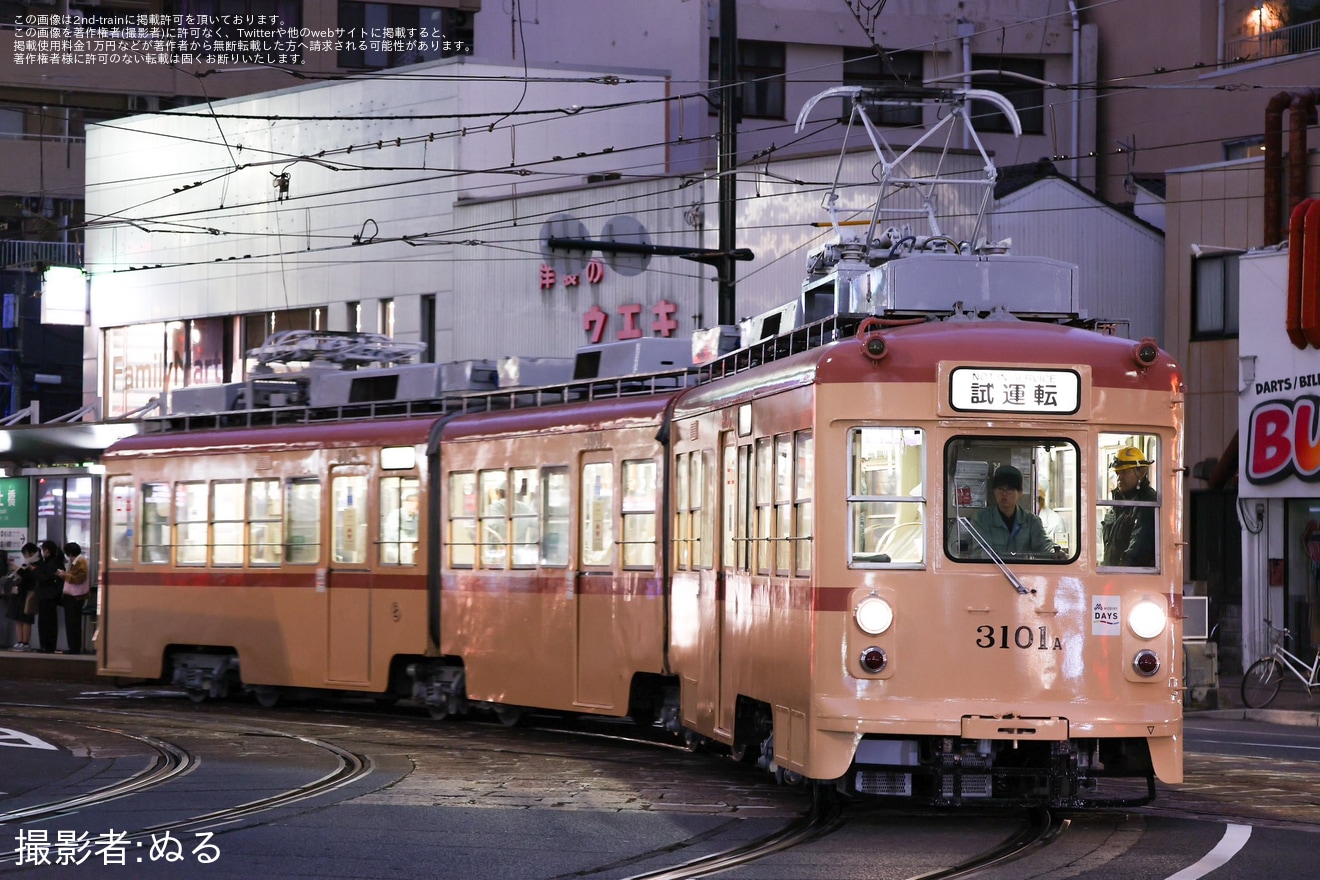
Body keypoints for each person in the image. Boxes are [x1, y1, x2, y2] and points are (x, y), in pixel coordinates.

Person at [972, 465, 1062, 558]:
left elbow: (1043, 544)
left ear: (1020, 492)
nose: (1004, 493)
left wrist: (1054, 552)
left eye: (1010, 489)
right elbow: (981, 551)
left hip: (1021, 571)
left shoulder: (1031, 521)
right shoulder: (982, 518)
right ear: (994, 491)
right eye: (1000, 488)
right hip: (992, 571)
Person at [1101, 446, 1157, 567]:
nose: (1119, 477)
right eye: (1117, 472)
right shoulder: (1117, 504)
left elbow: (1138, 552)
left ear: (1141, 473)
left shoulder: (1148, 504)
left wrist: (1116, 574)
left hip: (1132, 579)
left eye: (1125, 472)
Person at [33, 540, 67, 654]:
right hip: (45, 596)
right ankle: (44, 645)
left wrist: (35, 571)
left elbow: (45, 578)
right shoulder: (47, 562)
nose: (43, 552)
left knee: (48, 622)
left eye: (44, 550)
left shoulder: (53, 563)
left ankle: (48, 646)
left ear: (47, 550)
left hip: (49, 596)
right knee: (44, 622)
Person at [57, 542, 90, 655]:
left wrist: (64, 575)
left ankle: (74, 648)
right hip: (71, 596)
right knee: (71, 623)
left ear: (69, 552)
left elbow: (79, 579)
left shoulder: (81, 562)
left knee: (73, 623)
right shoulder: (75, 562)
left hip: (76, 597)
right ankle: (72, 646)